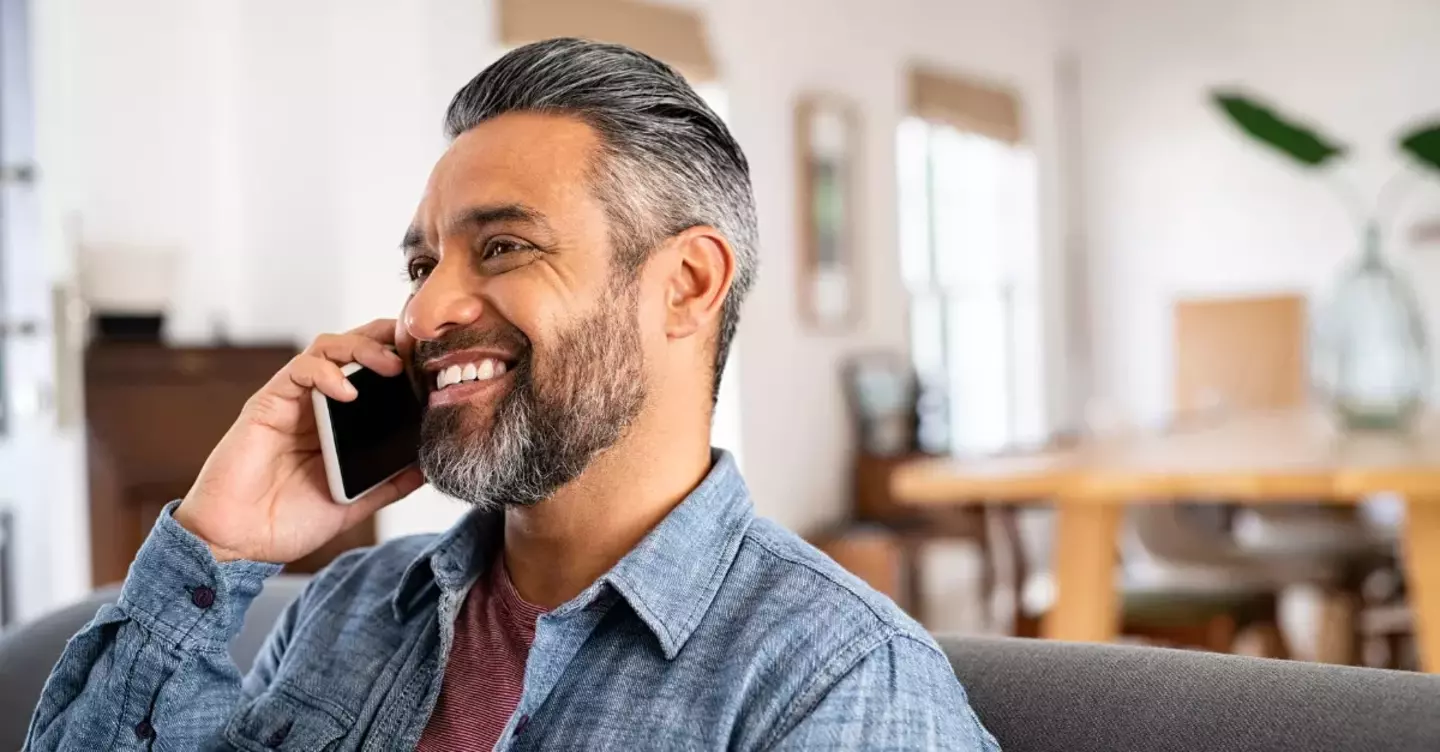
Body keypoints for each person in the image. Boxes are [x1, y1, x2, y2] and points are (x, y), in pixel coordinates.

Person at [26, 38, 998, 751]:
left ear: (688, 285)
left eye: (503, 246)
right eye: (420, 263)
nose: (425, 311)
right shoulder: (349, 608)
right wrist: (218, 540)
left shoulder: (833, 685)